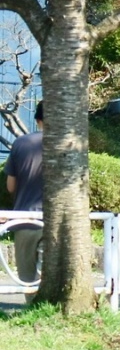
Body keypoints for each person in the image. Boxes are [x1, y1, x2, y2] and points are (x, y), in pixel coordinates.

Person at [5, 104, 42, 287]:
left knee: (28, 280)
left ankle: (33, 312)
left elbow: (11, 186)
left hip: (25, 218)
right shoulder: (71, 143)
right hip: (59, 222)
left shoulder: (20, 143)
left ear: (37, 120)